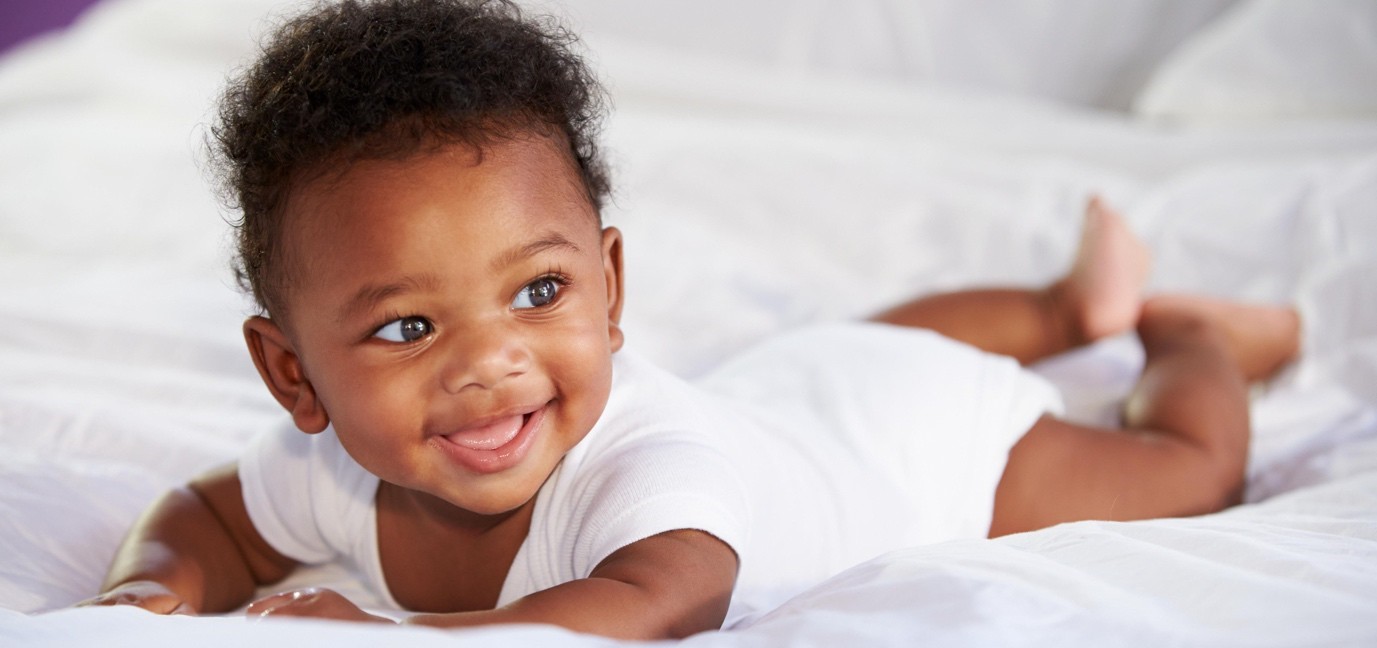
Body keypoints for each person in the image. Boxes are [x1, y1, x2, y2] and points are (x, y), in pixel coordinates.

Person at [79, 0, 1300, 639]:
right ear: (294, 378)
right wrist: (153, 591)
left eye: (539, 293)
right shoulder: (331, 475)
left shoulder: (662, 472)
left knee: (1183, 471)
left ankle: (1184, 334)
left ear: (610, 287)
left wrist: (384, 635)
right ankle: (1056, 305)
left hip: (919, 452)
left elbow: (647, 607)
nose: (492, 364)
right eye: (406, 330)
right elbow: (204, 518)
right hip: (804, 386)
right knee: (858, 346)